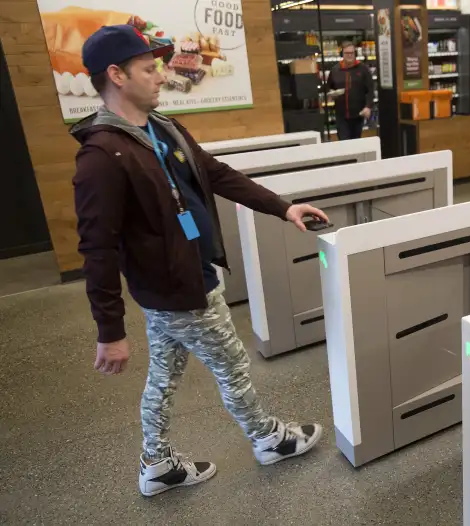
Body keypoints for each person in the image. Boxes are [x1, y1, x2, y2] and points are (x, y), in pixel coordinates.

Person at [72, 25, 328, 497]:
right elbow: (97, 249)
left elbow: (215, 174)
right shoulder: (101, 157)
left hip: (183, 278)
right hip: (178, 289)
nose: (161, 76)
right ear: (116, 75)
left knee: (164, 377)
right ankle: (269, 439)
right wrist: (109, 331)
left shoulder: (161, 127)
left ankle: (157, 464)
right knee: (233, 366)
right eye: (149, 69)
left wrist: (282, 206)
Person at [327, 41, 374, 140]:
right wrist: (331, 94)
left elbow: (370, 90)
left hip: (358, 115)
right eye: (347, 53)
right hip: (341, 115)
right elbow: (328, 87)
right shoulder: (335, 70)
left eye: (352, 53)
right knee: (344, 144)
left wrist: (368, 107)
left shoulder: (363, 69)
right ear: (342, 54)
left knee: (356, 142)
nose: (349, 55)